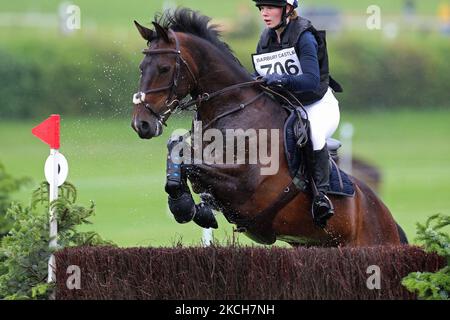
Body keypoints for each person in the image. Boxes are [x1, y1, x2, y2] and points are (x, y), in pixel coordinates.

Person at [251, 0, 343, 228]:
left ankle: (321, 197)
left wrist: (281, 80)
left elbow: (311, 81)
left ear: (288, 9)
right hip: (289, 105)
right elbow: (261, 74)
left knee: (313, 133)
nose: (265, 13)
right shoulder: (266, 38)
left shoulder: (305, 36)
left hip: (318, 104)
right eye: (261, 8)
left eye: (270, 7)